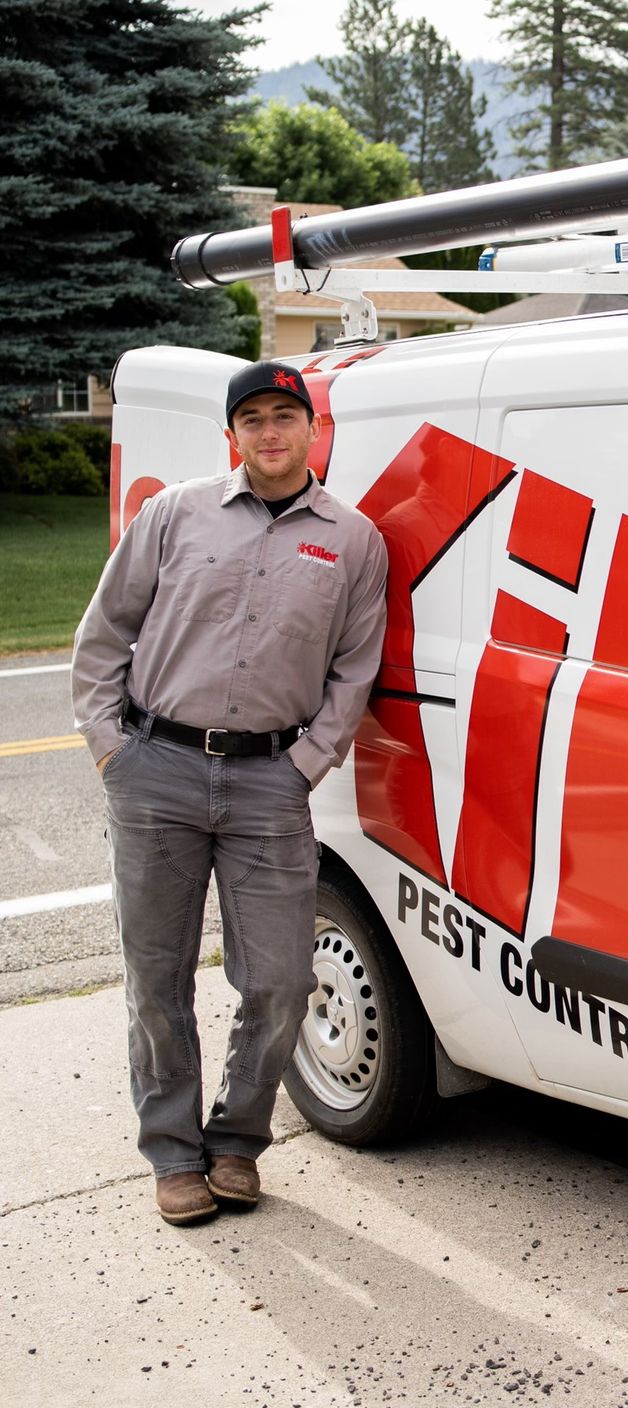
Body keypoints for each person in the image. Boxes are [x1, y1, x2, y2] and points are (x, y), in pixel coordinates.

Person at [72, 360, 388, 1225]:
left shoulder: (354, 540)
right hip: (155, 772)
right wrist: (110, 748)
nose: (270, 433)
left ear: (312, 429)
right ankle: (174, 1154)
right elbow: (104, 636)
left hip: (269, 784)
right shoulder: (173, 514)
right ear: (232, 435)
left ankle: (238, 1140)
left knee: (281, 980)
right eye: (253, 420)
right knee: (156, 977)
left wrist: (303, 766)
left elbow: (355, 670)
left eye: (285, 416)